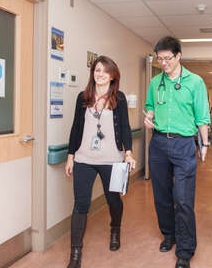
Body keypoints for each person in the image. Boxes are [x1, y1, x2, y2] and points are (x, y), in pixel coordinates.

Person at [144, 36, 210, 268]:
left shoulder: (195, 82)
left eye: (167, 58)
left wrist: (205, 144)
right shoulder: (155, 83)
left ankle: (185, 249)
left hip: (183, 144)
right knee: (161, 195)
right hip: (159, 143)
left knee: (182, 199)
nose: (163, 63)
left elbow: (202, 116)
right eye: (159, 59)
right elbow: (150, 106)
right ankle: (169, 235)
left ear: (179, 56)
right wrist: (149, 116)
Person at [65, 55, 136, 268]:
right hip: (84, 159)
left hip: (112, 159)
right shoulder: (83, 97)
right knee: (81, 204)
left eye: (105, 71)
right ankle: (75, 254)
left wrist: (129, 153)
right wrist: (70, 156)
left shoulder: (119, 98)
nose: (100, 74)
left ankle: (115, 228)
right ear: (92, 73)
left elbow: (124, 127)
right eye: (97, 70)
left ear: (113, 75)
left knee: (113, 200)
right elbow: (76, 128)